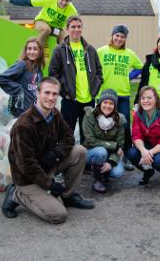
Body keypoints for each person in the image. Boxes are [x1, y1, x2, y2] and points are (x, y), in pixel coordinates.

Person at [1, 77, 95, 224]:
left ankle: (67, 196)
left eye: (54, 94)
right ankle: (16, 194)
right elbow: (27, 166)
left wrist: (56, 153)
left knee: (80, 151)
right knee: (59, 215)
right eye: (47, 93)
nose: (51, 98)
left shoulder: (54, 114)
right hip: (28, 178)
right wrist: (50, 185)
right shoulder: (23, 125)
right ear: (38, 93)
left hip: (47, 165)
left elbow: (69, 137)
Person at [49, 16, 103, 144]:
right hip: (70, 100)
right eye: (73, 27)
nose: (76, 29)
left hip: (88, 100)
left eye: (79, 26)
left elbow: (99, 72)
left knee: (87, 135)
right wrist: (65, 92)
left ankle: (86, 162)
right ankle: (67, 162)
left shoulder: (90, 50)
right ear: (67, 29)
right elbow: (53, 73)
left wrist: (94, 90)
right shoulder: (60, 50)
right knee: (66, 134)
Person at [97, 24, 143, 170]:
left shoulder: (129, 53)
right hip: (105, 94)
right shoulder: (101, 51)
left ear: (125, 39)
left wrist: (130, 76)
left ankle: (127, 157)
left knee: (123, 126)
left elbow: (140, 67)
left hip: (122, 94)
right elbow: (92, 66)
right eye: (117, 35)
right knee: (103, 125)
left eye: (122, 37)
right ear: (112, 36)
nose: (119, 38)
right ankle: (104, 155)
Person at [127, 87, 160, 187]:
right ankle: (148, 171)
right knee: (132, 153)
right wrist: (143, 150)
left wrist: (149, 153)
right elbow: (136, 135)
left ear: (156, 99)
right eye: (143, 98)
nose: (146, 101)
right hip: (151, 145)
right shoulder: (138, 115)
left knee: (159, 162)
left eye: (149, 98)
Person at [0, 0, 78, 46]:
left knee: (66, 41)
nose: (63, 3)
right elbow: (28, 1)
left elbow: (76, 26)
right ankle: (37, 52)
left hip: (57, 28)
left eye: (67, 1)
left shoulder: (72, 11)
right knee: (46, 30)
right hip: (42, 22)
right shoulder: (49, 0)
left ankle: (63, 61)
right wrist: (8, 0)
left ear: (70, 1)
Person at [82, 89, 126, 193]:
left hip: (110, 154)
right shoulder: (89, 116)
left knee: (118, 172)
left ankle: (104, 171)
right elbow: (91, 141)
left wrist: (111, 162)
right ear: (100, 103)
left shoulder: (119, 120)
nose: (107, 106)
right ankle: (98, 180)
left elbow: (120, 145)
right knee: (101, 151)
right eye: (105, 102)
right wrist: (113, 146)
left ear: (115, 106)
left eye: (111, 103)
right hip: (90, 151)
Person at [0, 38, 44, 117]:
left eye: (35, 49)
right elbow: (2, 79)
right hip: (19, 111)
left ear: (40, 52)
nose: (32, 52)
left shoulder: (39, 70)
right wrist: (18, 89)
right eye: (29, 49)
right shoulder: (22, 64)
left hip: (32, 111)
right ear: (25, 51)